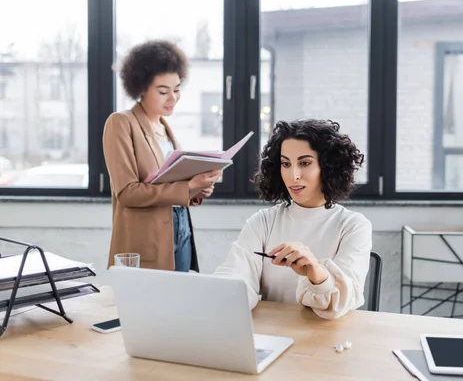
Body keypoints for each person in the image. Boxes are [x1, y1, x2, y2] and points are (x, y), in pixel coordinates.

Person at [213, 119, 372, 320]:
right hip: (275, 335)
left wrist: (316, 272)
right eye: (285, 164)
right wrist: (218, 295)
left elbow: (342, 301)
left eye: (304, 163)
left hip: (329, 339)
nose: (293, 175)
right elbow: (235, 275)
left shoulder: (354, 226)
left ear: (328, 167)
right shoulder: (263, 222)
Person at [103, 40, 221, 272]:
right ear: (141, 88)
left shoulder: (166, 128)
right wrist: (187, 187)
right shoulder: (121, 123)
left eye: (176, 90)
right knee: (148, 306)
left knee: (180, 305)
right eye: (163, 91)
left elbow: (170, 185)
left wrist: (198, 189)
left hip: (181, 232)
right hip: (147, 241)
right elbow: (127, 193)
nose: (173, 98)